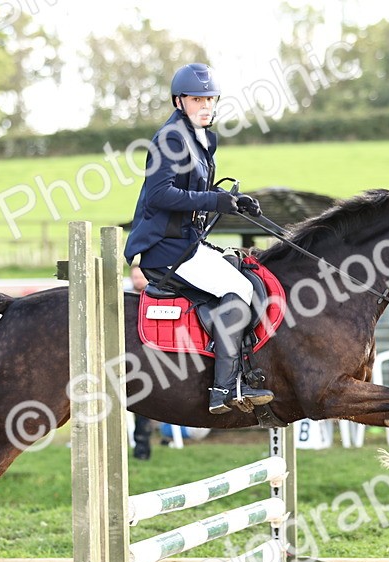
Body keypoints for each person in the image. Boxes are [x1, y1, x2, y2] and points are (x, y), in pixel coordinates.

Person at [123, 63, 273, 415]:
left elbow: (196, 193)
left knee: (244, 272)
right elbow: (160, 195)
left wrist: (234, 201)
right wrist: (213, 200)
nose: (205, 105)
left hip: (187, 244)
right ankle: (225, 388)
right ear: (179, 102)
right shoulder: (170, 138)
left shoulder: (201, 138)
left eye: (210, 99)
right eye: (196, 99)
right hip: (166, 250)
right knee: (240, 288)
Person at [125, 265, 153, 459]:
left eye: (140, 276)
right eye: (135, 276)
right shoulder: (124, 300)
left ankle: (143, 448)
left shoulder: (154, 297)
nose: (138, 280)